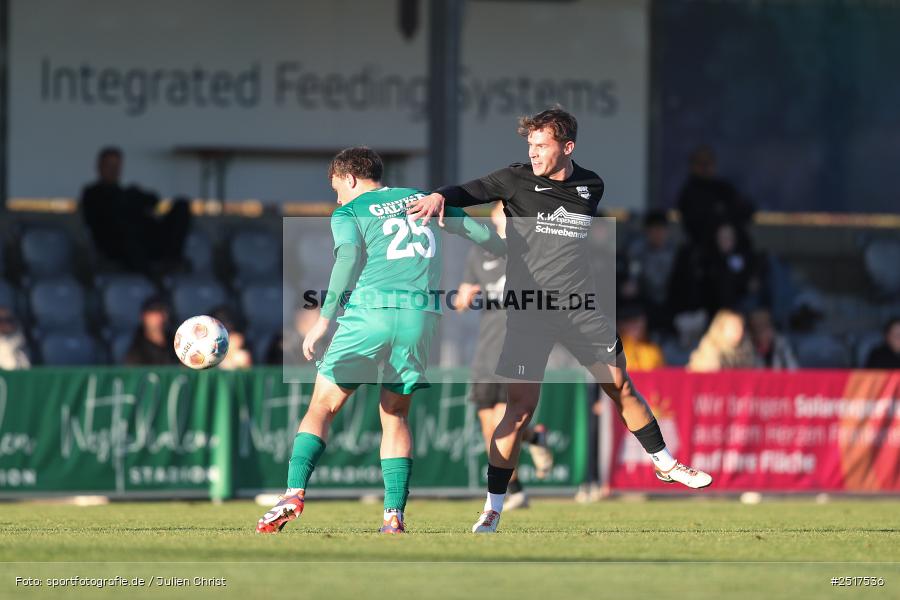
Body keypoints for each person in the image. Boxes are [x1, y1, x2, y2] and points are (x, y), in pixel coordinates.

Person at [408, 107, 712, 534]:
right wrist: (441, 195)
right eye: (529, 145)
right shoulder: (513, 179)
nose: (533, 153)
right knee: (518, 410)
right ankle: (495, 506)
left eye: (542, 145)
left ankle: (665, 464)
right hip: (529, 310)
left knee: (620, 385)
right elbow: (466, 190)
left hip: (580, 309)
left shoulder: (593, 186)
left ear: (567, 147)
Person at [256, 147, 505, 535]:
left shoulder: (349, 212)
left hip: (370, 313)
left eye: (337, 188)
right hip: (420, 319)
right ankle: (393, 517)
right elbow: (477, 232)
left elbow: (349, 257)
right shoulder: (422, 199)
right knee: (395, 414)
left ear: (351, 179)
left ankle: (293, 493)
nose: (336, 198)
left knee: (323, 404)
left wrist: (323, 321)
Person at [455, 202, 554, 511]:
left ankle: (514, 490)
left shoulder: (526, 251)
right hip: (486, 349)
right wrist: (463, 298)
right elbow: (462, 297)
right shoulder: (480, 254)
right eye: (502, 212)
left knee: (502, 422)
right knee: (488, 428)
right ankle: (519, 478)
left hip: (514, 346)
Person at [80, 146, 191, 275]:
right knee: (125, 228)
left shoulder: (128, 192)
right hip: (120, 246)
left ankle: (171, 260)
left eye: (117, 166)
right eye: (109, 165)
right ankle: (154, 274)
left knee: (181, 206)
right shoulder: (92, 194)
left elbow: (153, 200)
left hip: (148, 241)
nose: (113, 170)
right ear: (99, 167)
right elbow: (106, 217)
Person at [676, 145, 753, 251]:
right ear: (693, 166)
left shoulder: (722, 187)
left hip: (732, 249)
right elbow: (694, 223)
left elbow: (746, 209)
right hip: (703, 249)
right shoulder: (689, 193)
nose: (705, 168)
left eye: (708, 163)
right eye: (701, 164)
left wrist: (725, 218)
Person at [625, 210, 677, 333]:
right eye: (654, 230)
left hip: (671, 303)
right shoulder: (637, 251)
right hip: (646, 303)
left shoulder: (675, 253)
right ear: (647, 232)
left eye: (661, 230)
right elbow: (633, 277)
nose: (658, 234)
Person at [687, 309, 756, 372]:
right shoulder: (709, 349)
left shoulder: (747, 348)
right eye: (733, 326)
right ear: (720, 329)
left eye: (740, 326)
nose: (739, 330)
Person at [123, 296, 179, 365]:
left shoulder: (175, 342)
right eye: (154, 312)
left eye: (162, 312)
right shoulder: (136, 352)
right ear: (143, 317)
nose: (159, 317)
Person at [617, 305, 665, 372]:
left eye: (637, 322)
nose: (634, 327)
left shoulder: (653, 350)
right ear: (620, 325)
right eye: (629, 322)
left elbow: (661, 376)